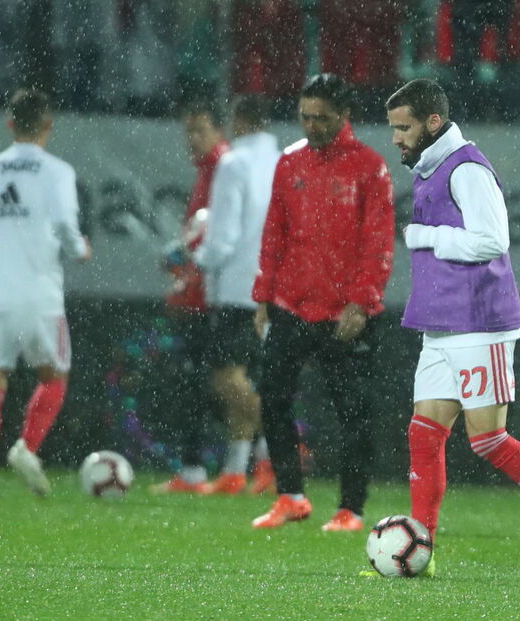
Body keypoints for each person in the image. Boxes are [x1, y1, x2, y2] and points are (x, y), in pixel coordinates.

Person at [382, 79, 520, 580]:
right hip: (440, 323)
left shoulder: (467, 170)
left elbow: (492, 241)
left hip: (479, 322)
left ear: (432, 123)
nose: (395, 138)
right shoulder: (433, 167)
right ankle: (421, 552)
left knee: (488, 441)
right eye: (393, 127)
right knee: (424, 434)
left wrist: (425, 235)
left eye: (404, 127)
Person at [250, 74, 395, 531]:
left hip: (343, 313)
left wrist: (361, 303)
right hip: (291, 303)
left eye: (321, 118)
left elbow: (378, 242)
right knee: (272, 398)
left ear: (343, 115)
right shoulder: (289, 162)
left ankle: (351, 508)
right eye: (305, 117)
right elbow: (274, 233)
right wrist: (263, 296)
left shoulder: (370, 167)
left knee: (353, 413)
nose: (311, 126)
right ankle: (290, 496)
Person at [0, 88, 92, 497]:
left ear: (10, 125)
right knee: (54, 375)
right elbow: (64, 223)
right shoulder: (56, 172)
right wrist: (78, 249)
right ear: (48, 126)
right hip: (38, 293)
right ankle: (27, 447)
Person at [191, 95, 280, 495]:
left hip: (238, 286)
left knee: (226, 377)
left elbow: (223, 237)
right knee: (248, 376)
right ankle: (235, 469)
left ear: (238, 121)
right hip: (274, 287)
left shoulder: (234, 163)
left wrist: (198, 260)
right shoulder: (283, 160)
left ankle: (276, 450)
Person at [149, 100, 227, 495]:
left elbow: (217, 232)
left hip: (216, 296)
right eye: (189, 132)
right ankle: (204, 468)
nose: (192, 139)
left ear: (219, 130)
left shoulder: (224, 169)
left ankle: (253, 462)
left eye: (200, 131)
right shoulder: (210, 171)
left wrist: (186, 260)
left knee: (215, 381)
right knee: (207, 381)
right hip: (205, 293)